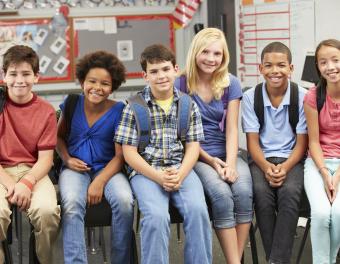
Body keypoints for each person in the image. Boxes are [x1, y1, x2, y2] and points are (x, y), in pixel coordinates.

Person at [115, 44, 212, 264]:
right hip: (146, 172)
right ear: (145, 75)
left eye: (166, 69)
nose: (161, 76)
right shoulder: (133, 106)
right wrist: (158, 177)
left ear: (175, 69)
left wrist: (180, 174)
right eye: (154, 71)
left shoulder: (188, 104)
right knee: (156, 217)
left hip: (181, 168)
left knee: (198, 211)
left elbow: (193, 147)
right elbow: (129, 154)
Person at [175, 27, 253, 264]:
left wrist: (230, 164)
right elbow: (183, 135)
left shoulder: (231, 83)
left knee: (243, 193)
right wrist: (212, 162)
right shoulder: (180, 83)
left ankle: (234, 261)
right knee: (221, 195)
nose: (211, 59)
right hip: (197, 153)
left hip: (227, 151)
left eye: (217, 54)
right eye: (205, 52)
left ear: (224, 57)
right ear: (195, 52)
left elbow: (231, 130)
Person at [57, 51, 134, 264]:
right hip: (74, 167)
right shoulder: (71, 103)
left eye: (105, 84)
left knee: (125, 201)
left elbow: (121, 156)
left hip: (108, 168)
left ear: (113, 86)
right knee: (71, 202)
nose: (97, 88)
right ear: (82, 81)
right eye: (92, 81)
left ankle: (121, 260)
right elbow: (58, 138)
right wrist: (66, 159)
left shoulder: (121, 109)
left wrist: (99, 181)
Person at [242, 41, 308, 264]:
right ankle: (277, 260)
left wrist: (285, 167)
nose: (275, 71)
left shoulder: (303, 96)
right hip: (261, 159)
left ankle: (275, 261)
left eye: (281, 65)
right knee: (261, 195)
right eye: (268, 65)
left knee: (290, 194)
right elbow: (252, 142)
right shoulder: (251, 97)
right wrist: (268, 167)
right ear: (260, 69)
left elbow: (302, 143)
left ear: (291, 68)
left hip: (293, 159)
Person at [0, 45, 60, 263]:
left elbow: (46, 159)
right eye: (13, 74)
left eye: (26, 74)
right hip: (1, 171)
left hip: (34, 170)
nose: (19, 80)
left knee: (47, 212)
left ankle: (42, 259)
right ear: (3, 76)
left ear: (36, 77)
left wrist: (26, 182)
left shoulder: (46, 111)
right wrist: (11, 184)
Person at [303, 39, 340, 264]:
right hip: (318, 162)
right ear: (318, 66)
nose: (331, 67)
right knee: (320, 215)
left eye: (336, 60)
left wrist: (337, 176)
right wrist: (326, 172)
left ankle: (328, 259)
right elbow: (313, 142)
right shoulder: (313, 96)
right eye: (323, 62)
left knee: (338, 215)